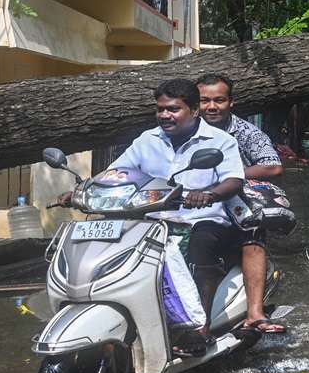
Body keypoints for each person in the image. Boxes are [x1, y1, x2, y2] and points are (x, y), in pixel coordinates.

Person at [98, 78, 246, 353]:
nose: (165, 115)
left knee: (202, 245)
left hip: (202, 218)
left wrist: (209, 195)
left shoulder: (220, 141)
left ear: (193, 110)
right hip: (152, 219)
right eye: (161, 109)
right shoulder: (147, 140)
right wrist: (83, 188)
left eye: (173, 109)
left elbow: (234, 181)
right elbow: (117, 173)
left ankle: (198, 327)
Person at [196, 73, 287, 334]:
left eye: (219, 100)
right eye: (204, 101)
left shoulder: (245, 132)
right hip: (190, 206)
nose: (211, 107)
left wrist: (231, 175)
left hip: (236, 205)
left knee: (252, 236)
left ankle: (255, 313)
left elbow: (273, 166)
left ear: (230, 103)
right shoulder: (181, 131)